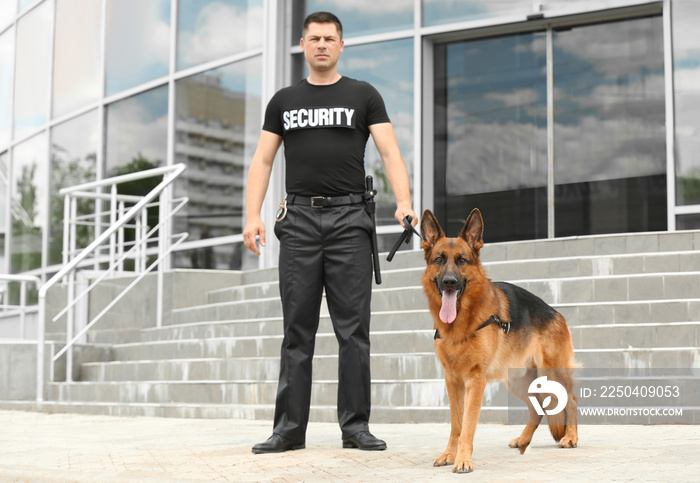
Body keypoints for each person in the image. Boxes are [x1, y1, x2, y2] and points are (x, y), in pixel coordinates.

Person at [243, 11, 417, 454]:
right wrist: (252, 214)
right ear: (303, 44)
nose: (322, 44)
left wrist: (404, 202)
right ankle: (288, 430)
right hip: (299, 223)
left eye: (330, 38)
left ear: (341, 45)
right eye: (314, 38)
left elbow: (390, 150)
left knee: (353, 331)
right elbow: (263, 161)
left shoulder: (364, 95)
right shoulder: (283, 101)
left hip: (349, 223)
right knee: (296, 331)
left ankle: (355, 427)